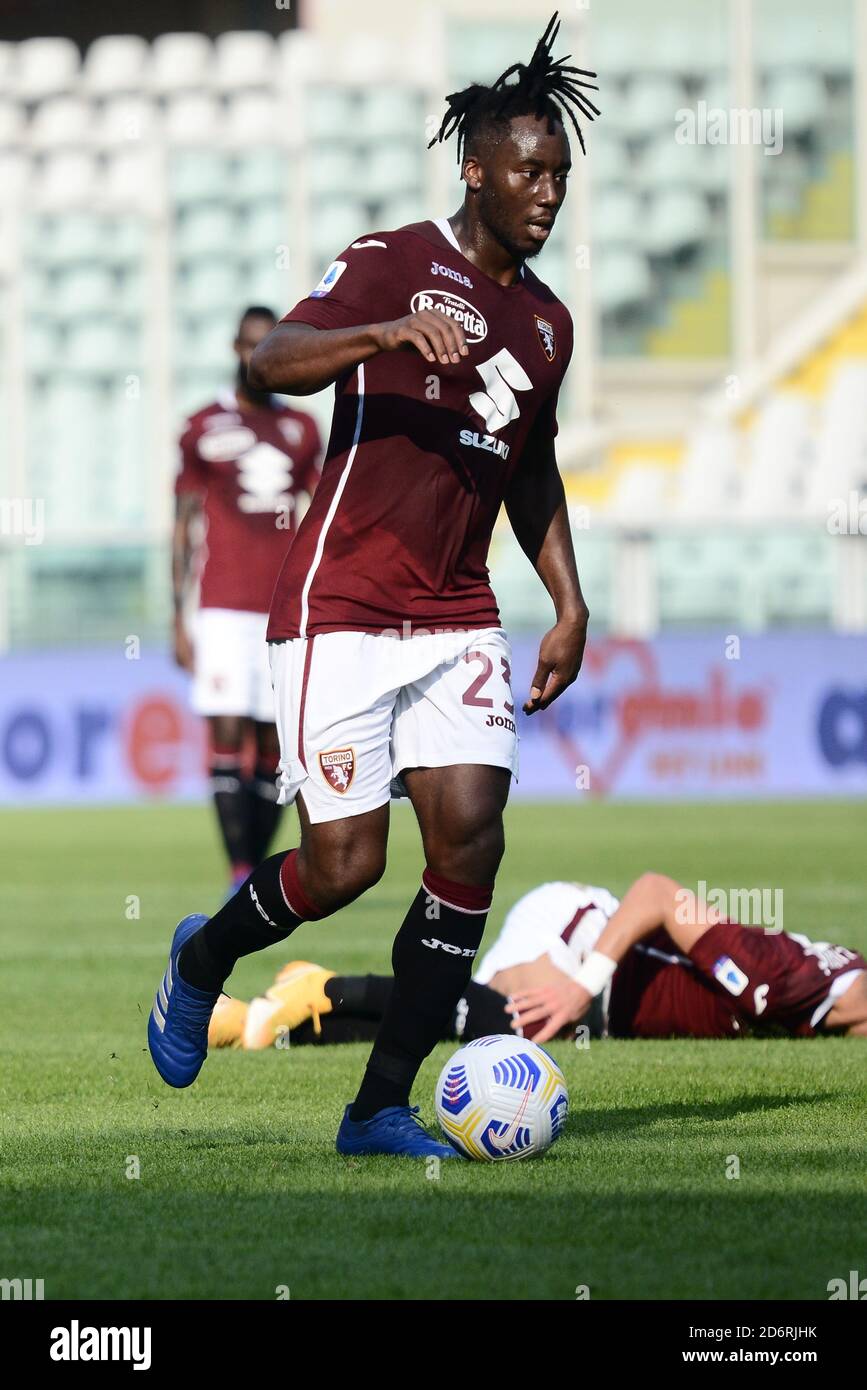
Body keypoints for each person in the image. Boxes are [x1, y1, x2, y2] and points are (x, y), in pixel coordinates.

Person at [149, 15, 597, 1159]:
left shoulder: (548, 325)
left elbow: (529, 465)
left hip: (457, 615)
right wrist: (386, 333)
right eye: (529, 171)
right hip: (340, 605)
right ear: (475, 170)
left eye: (559, 173)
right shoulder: (397, 261)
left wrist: (570, 596)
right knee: (346, 865)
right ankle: (203, 956)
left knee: (471, 844)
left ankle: (378, 1105)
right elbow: (272, 361)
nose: (547, 191)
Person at [206, 875, 867, 1049]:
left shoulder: (828, 1001)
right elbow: (656, 895)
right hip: (574, 935)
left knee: (461, 1030)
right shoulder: (781, 978)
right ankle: (327, 986)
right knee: (508, 1026)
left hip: (600, 994)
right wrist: (581, 989)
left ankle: (259, 1022)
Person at [173, 306, 321, 893]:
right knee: (228, 728)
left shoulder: (304, 430)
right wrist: (176, 612)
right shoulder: (202, 426)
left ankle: (255, 871)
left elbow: (326, 514)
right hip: (221, 606)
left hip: (282, 607)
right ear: (237, 348)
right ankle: (239, 870)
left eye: (270, 347)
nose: (258, 359)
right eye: (252, 347)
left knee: (274, 739)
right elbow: (183, 522)